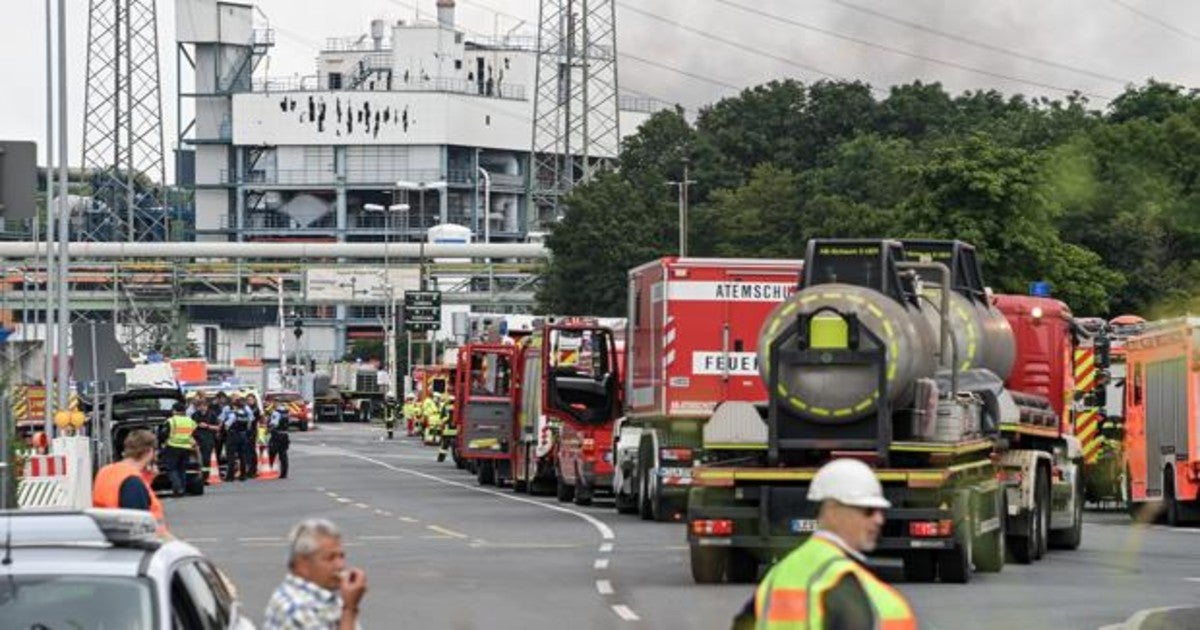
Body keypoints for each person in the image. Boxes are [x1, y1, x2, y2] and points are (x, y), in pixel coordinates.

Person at [737, 458, 916, 630]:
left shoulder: (777, 576)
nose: (879, 520)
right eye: (868, 510)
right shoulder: (850, 587)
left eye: (880, 511)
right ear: (833, 511)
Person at [264, 518, 368, 630]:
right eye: (330, 558)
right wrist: (350, 608)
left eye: (341, 556)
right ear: (303, 565)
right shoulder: (298, 609)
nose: (340, 565)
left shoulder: (324, 596)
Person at [93, 429, 166, 530]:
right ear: (149, 451)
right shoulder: (132, 481)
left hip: (108, 534)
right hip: (143, 541)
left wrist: (148, 478)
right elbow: (138, 525)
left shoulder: (105, 471)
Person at [162, 401, 198, 497]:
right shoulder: (190, 421)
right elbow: (194, 434)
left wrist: (162, 443)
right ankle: (181, 489)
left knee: (172, 469)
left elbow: (163, 434)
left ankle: (178, 488)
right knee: (182, 469)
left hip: (173, 447)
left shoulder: (171, 421)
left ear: (174, 410)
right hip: (186, 448)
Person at [191, 395, 221, 483]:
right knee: (196, 459)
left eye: (204, 406)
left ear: (207, 406)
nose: (202, 408)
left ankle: (205, 478)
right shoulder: (195, 415)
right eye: (200, 406)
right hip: (196, 439)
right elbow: (190, 426)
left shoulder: (212, 414)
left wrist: (207, 426)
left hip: (208, 439)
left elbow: (217, 428)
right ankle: (197, 477)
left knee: (206, 459)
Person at [223, 393, 251, 481]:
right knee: (242, 456)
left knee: (231, 456)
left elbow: (227, 426)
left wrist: (227, 430)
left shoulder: (233, 415)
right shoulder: (246, 414)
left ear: (235, 406)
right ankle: (243, 475)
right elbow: (249, 425)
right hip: (243, 435)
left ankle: (230, 476)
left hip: (233, 436)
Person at [268, 403, 291, 479]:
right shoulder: (287, 413)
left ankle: (269, 470)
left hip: (276, 435)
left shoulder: (276, 413)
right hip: (285, 435)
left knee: (272, 453)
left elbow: (274, 424)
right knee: (283, 455)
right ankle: (284, 473)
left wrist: (268, 429)